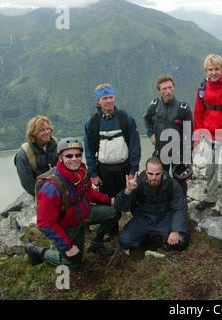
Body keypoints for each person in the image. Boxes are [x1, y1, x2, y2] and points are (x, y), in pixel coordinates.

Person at [24, 137, 118, 269]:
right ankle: (37, 251)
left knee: (115, 211)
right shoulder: (52, 187)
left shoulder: (82, 172)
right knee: (72, 263)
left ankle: (96, 243)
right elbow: (44, 223)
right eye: (69, 155)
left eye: (78, 155)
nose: (74, 158)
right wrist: (66, 246)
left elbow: (89, 192)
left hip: (85, 214)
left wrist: (109, 201)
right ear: (60, 157)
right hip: (68, 225)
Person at [84, 83, 141, 241]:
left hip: (125, 168)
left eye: (111, 97)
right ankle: (111, 228)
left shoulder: (126, 118)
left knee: (133, 198)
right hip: (104, 170)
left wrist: (133, 170)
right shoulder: (92, 123)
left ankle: (139, 225)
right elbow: (89, 150)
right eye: (105, 98)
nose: (109, 101)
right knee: (108, 200)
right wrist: (93, 174)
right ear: (98, 101)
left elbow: (135, 146)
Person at [193, 54, 222, 215]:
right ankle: (211, 196)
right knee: (210, 169)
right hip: (209, 136)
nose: (213, 72)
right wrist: (197, 138)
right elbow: (198, 113)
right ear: (206, 70)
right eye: (210, 69)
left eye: (217, 69)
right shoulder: (203, 89)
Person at [115, 156, 189, 251]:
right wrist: (127, 191)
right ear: (146, 172)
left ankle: (165, 243)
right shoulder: (137, 184)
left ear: (162, 172)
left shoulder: (172, 184)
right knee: (124, 241)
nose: (154, 177)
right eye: (150, 173)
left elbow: (180, 207)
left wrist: (175, 230)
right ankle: (143, 238)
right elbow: (119, 207)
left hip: (165, 218)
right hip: (143, 218)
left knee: (181, 241)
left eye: (157, 174)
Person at [144, 74, 194, 196]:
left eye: (170, 87)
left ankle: (181, 207)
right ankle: (163, 205)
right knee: (161, 180)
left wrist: (188, 156)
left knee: (180, 182)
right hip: (161, 151)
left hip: (179, 153)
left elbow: (190, 132)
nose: (168, 91)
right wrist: (151, 133)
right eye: (164, 89)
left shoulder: (183, 108)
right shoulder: (154, 106)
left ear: (174, 87)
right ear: (159, 90)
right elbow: (147, 120)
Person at [14, 116, 59, 197]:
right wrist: (44, 197)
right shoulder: (24, 153)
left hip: (60, 190)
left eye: (48, 128)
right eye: (42, 130)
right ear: (33, 132)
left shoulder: (57, 143)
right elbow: (27, 183)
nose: (47, 132)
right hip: (40, 194)